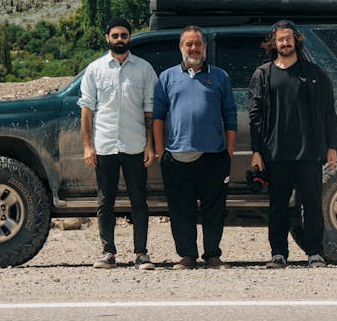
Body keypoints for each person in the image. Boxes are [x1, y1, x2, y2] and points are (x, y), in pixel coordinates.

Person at [248, 19, 337, 268]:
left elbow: (329, 111)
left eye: (288, 38)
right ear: (274, 43)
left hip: (309, 152)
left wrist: (331, 146)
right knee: (278, 205)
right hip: (275, 153)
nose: (285, 42)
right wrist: (257, 151)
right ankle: (278, 253)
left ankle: (315, 253)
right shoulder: (263, 74)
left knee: (311, 204)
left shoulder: (314, 73)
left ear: (296, 40)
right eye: (280, 39)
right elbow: (255, 115)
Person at [153, 25, 237, 269]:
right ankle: (187, 255)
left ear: (205, 47)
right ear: (181, 48)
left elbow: (230, 115)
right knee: (181, 209)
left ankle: (212, 254)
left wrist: (228, 152)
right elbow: (158, 117)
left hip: (214, 155)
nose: (193, 48)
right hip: (176, 156)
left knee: (214, 208)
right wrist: (161, 153)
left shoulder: (219, 76)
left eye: (197, 43)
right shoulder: (167, 77)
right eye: (188, 44)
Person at [79, 16, 157, 270]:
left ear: (130, 38)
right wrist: (88, 146)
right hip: (105, 146)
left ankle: (141, 253)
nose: (120, 39)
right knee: (105, 202)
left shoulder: (144, 69)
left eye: (124, 35)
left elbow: (150, 109)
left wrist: (150, 145)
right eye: (115, 36)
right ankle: (108, 252)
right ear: (107, 38)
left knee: (139, 201)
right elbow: (87, 109)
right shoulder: (95, 69)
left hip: (135, 145)